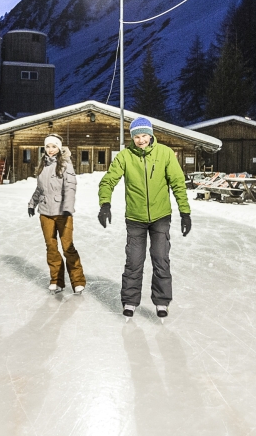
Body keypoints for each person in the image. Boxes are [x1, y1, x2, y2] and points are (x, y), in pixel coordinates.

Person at [98, 116, 191, 318]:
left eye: (144, 136)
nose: (141, 140)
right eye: (137, 137)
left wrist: (185, 212)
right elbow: (108, 181)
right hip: (135, 218)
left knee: (160, 259)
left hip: (160, 217)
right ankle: (130, 301)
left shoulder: (165, 154)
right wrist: (105, 203)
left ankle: (162, 301)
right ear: (132, 138)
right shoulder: (124, 156)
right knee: (134, 261)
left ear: (151, 135)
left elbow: (177, 183)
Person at [28, 133, 86, 294]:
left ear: (59, 148)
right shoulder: (43, 165)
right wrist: (32, 204)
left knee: (68, 247)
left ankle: (78, 281)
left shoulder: (66, 164)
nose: (50, 150)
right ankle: (56, 280)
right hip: (45, 212)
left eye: (54, 146)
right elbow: (40, 189)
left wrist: (68, 207)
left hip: (63, 212)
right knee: (51, 247)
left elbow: (71, 186)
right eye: (47, 146)